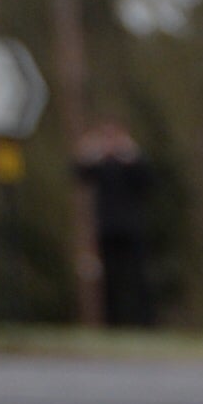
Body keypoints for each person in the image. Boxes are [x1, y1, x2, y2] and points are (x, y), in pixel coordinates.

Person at [73, 123, 157, 327]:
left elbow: (148, 180)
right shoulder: (101, 166)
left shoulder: (131, 164)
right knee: (109, 280)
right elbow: (78, 174)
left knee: (137, 277)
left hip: (132, 228)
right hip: (106, 229)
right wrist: (89, 152)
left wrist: (132, 154)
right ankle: (112, 323)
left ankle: (144, 322)